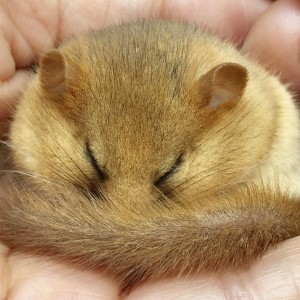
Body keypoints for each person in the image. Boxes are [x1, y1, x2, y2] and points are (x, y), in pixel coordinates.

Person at [1, 0, 300, 298]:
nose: (125, 208)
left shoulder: (231, 108)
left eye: (167, 172)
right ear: (60, 82)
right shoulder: (57, 90)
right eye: (94, 161)